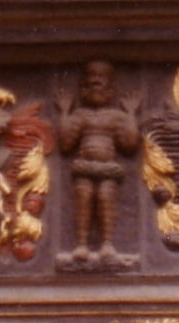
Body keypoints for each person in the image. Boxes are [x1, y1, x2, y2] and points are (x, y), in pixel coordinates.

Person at [55, 60, 141, 267]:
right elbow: (66, 142)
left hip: (108, 170)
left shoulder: (116, 116)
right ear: (83, 87)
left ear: (111, 88)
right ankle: (82, 244)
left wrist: (130, 115)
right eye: (91, 80)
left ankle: (107, 244)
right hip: (84, 167)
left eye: (101, 80)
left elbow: (129, 144)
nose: (96, 83)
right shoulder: (80, 115)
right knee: (84, 200)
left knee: (105, 198)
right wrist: (65, 113)